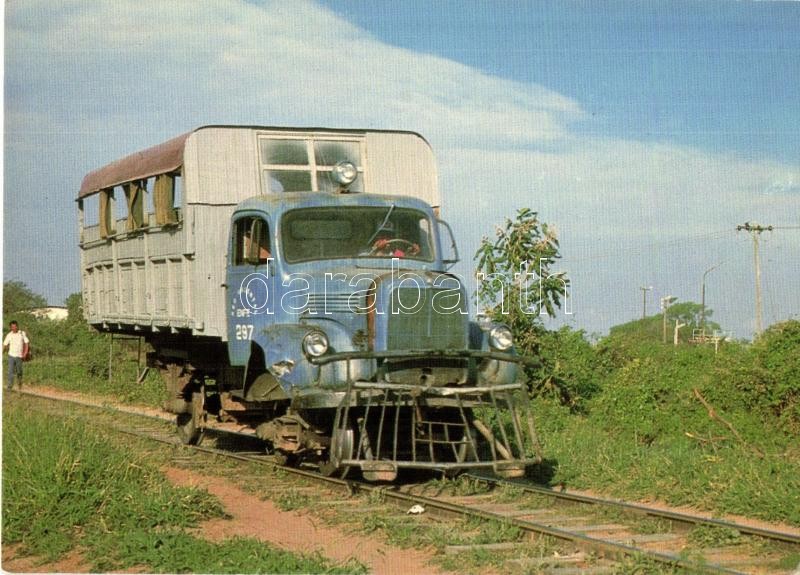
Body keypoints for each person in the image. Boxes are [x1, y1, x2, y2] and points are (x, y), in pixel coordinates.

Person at [4, 320, 30, 390]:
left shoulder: (22, 333)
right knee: (10, 371)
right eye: (12, 327)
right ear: (10, 327)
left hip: (19, 356)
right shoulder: (9, 335)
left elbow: (27, 343)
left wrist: (25, 353)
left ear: (17, 326)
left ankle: (19, 384)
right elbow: (5, 344)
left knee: (19, 371)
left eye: (15, 326)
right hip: (11, 356)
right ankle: (9, 386)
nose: (14, 328)